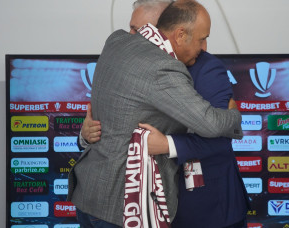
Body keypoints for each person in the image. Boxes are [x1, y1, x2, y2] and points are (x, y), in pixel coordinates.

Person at [67, 1, 244, 227]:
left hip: (95, 196)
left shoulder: (116, 41)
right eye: (134, 29)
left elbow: (219, 140)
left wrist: (168, 144)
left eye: (140, 30)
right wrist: (236, 114)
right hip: (123, 207)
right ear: (178, 32)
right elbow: (212, 123)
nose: (136, 37)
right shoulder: (159, 66)